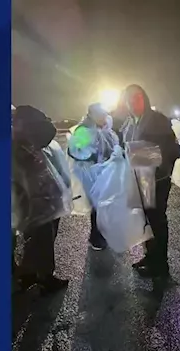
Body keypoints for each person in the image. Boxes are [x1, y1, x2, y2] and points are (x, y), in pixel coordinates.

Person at [122, 84, 180, 279]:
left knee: (157, 221)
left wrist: (132, 154)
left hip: (157, 180)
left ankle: (161, 265)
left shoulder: (158, 120)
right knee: (144, 220)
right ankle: (150, 256)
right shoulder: (130, 122)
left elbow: (170, 151)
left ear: (144, 98)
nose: (133, 102)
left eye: (137, 97)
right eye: (129, 99)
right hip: (139, 180)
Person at [12, 105, 69, 294]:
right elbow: (49, 131)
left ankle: (28, 275)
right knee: (42, 238)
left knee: (34, 239)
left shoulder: (21, 140)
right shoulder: (21, 140)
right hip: (36, 200)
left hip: (32, 199)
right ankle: (44, 278)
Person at [68, 103, 120, 250]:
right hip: (92, 173)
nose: (105, 117)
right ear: (93, 115)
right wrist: (92, 155)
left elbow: (113, 144)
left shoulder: (104, 128)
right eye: (101, 115)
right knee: (98, 205)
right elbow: (76, 150)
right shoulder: (85, 131)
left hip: (105, 171)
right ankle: (96, 238)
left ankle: (104, 234)